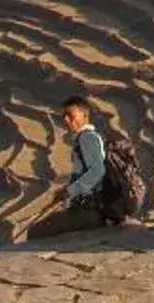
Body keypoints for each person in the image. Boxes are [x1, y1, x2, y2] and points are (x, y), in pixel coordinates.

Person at [28, 94, 107, 239]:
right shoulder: (87, 137)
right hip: (89, 207)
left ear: (84, 115)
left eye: (71, 115)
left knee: (35, 233)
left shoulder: (87, 138)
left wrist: (70, 190)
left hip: (89, 209)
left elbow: (98, 171)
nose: (66, 119)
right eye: (64, 115)